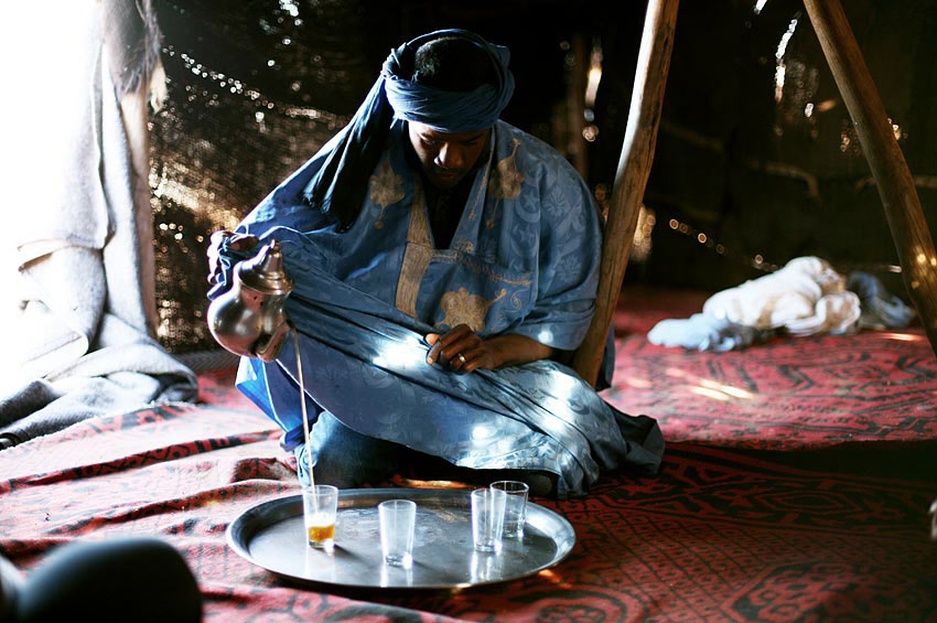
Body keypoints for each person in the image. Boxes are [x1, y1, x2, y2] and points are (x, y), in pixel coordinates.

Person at [207, 28, 664, 499]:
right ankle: (437, 452)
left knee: (548, 472)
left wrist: (494, 351)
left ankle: (429, 450)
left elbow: (566, 320)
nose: (449, 158)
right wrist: (237, 262)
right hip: (380, 378)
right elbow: (277, 244)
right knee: (334, 468)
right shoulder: (359, 163)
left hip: (496, 380)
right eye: (431, 138)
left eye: (468, 141)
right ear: (406, 116)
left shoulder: (549, 183)